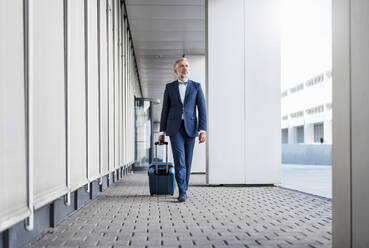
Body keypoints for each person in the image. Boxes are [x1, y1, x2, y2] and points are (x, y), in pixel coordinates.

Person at [158, 58, 207, 202]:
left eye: (186, 66)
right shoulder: (169, 87)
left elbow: (202, 109)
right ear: (176, 70)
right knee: (180, 160)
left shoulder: (196, 86)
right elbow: (164, 110)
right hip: (174, 128)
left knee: (188, 160)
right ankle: (182, 191)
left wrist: (203, 130)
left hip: (191, 128)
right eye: (181, 66)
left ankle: (184, 186)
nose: (184, 68)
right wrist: (162, 132)